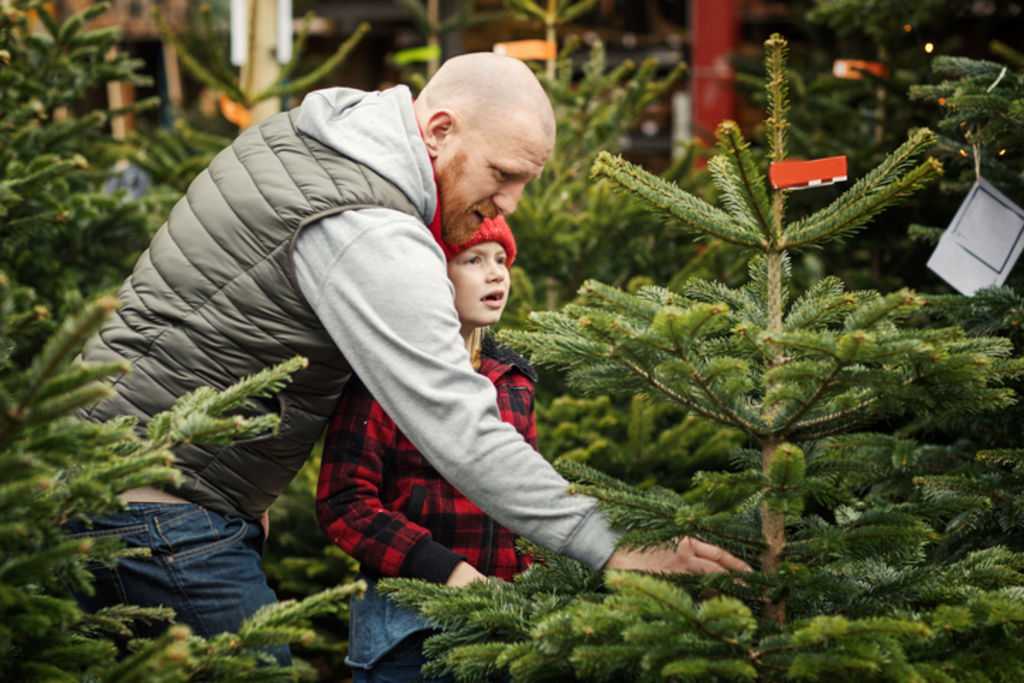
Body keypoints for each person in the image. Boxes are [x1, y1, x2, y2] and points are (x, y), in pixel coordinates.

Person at [63, 52, 750, 659]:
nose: (506, 205)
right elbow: (458, 421)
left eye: (525, 183)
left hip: (130, 478)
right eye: (503, 174)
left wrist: (238, 487)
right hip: (156, 503)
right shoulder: (371, 225)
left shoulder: (313, 136)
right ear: (441, 129)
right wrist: (615, 546)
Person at [318, 215, 532, 681]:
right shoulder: (386, 371)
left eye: (502, 259)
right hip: (407, 636)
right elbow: (344, 502)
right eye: (473, 259)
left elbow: (527, 497)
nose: (496, 273)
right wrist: (445, 570)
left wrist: (536, 588)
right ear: (433, 272)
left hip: (502, 627)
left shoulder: (513, 379)